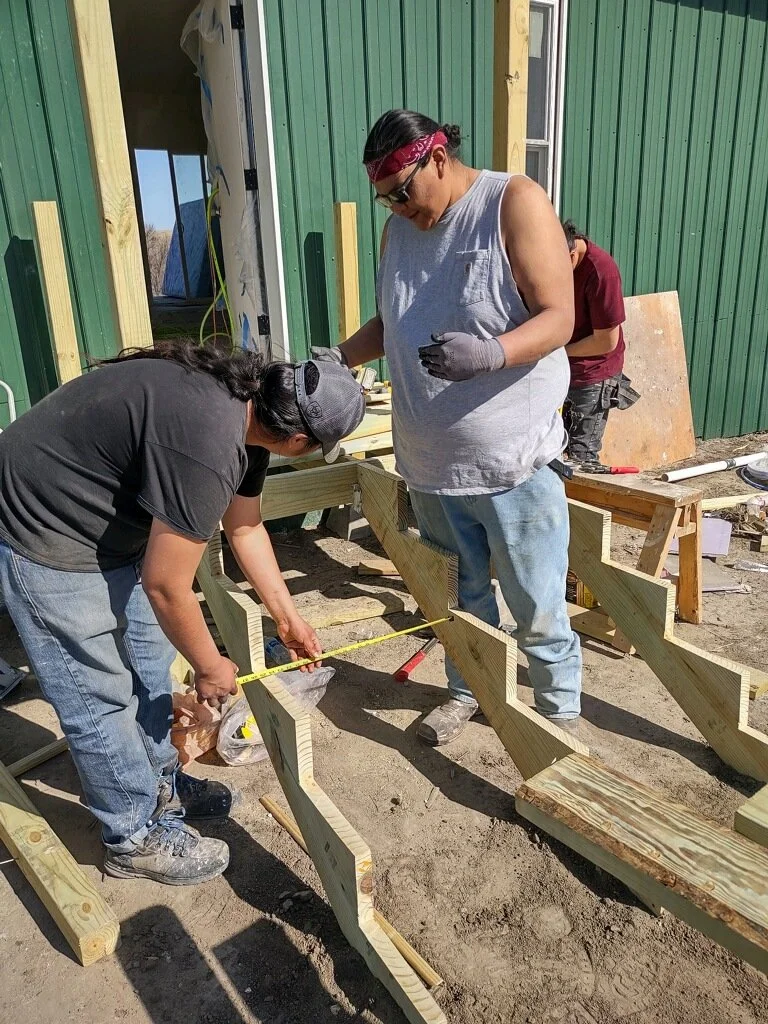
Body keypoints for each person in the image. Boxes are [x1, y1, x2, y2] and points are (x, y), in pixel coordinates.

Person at [0, 340, 365, 884]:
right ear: (297, 440)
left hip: (106, 525)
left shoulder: (251, 413)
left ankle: (158, 779)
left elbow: (245, 527)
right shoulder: (208, 443)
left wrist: (287, 617)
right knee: (96, 696)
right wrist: (212, 665)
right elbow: (167, 585)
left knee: (150, 666)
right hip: (42, 528)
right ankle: (133, 836)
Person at [313, 109, 581, 746]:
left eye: (403, 192)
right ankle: (472, 690)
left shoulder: (511, 202)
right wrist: (339, 356)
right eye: (385, 198)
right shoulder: (397, 232)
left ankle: (558, 717)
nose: (398, 208)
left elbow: (560, 316)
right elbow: (393, 321)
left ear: (437, 157)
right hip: (431, 464)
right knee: (459, 600)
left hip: (511, 463)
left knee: (536, 607)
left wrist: (491, 354)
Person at [561, 220, 637, 464]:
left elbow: (606, 341)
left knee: (581, 457)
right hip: (562, 367)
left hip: (592, 374)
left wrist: (557, 352)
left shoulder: (601, 270)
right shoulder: (555, 257)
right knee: (553, 450)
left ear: (572, 254)